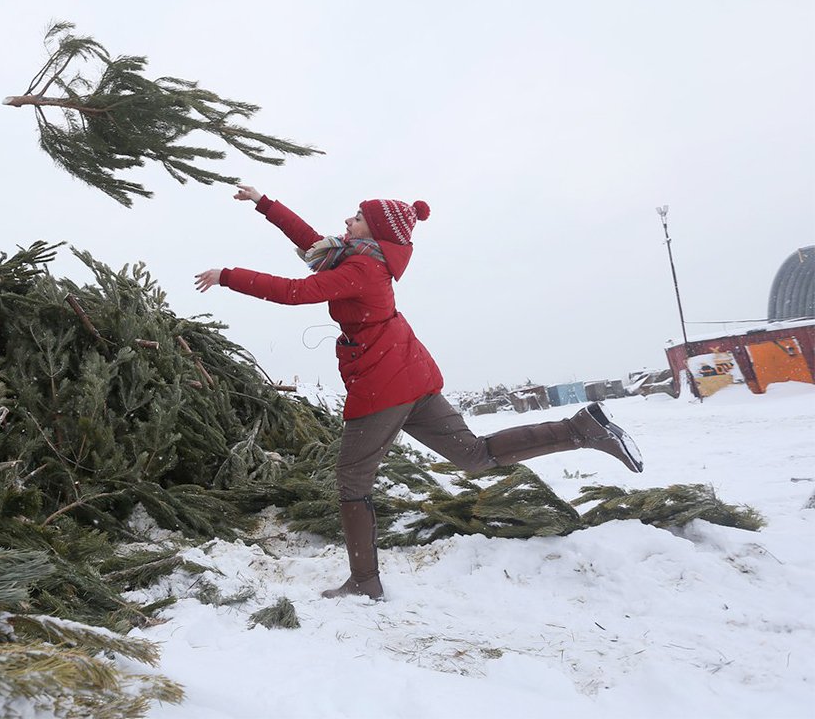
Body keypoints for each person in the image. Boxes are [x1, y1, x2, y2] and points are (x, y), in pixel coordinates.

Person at [195, 186, 642, 601]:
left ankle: (364, 582)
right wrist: (264, 203)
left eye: (357, 217)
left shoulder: (359, 268)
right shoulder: (355, 257)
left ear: (376, 230)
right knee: (474, 455)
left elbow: (295, 293)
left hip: (382, 382)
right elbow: (311, 240)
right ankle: (582, 428)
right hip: (410, 372)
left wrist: (227, 276)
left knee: (352, 478)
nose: (347, 221)